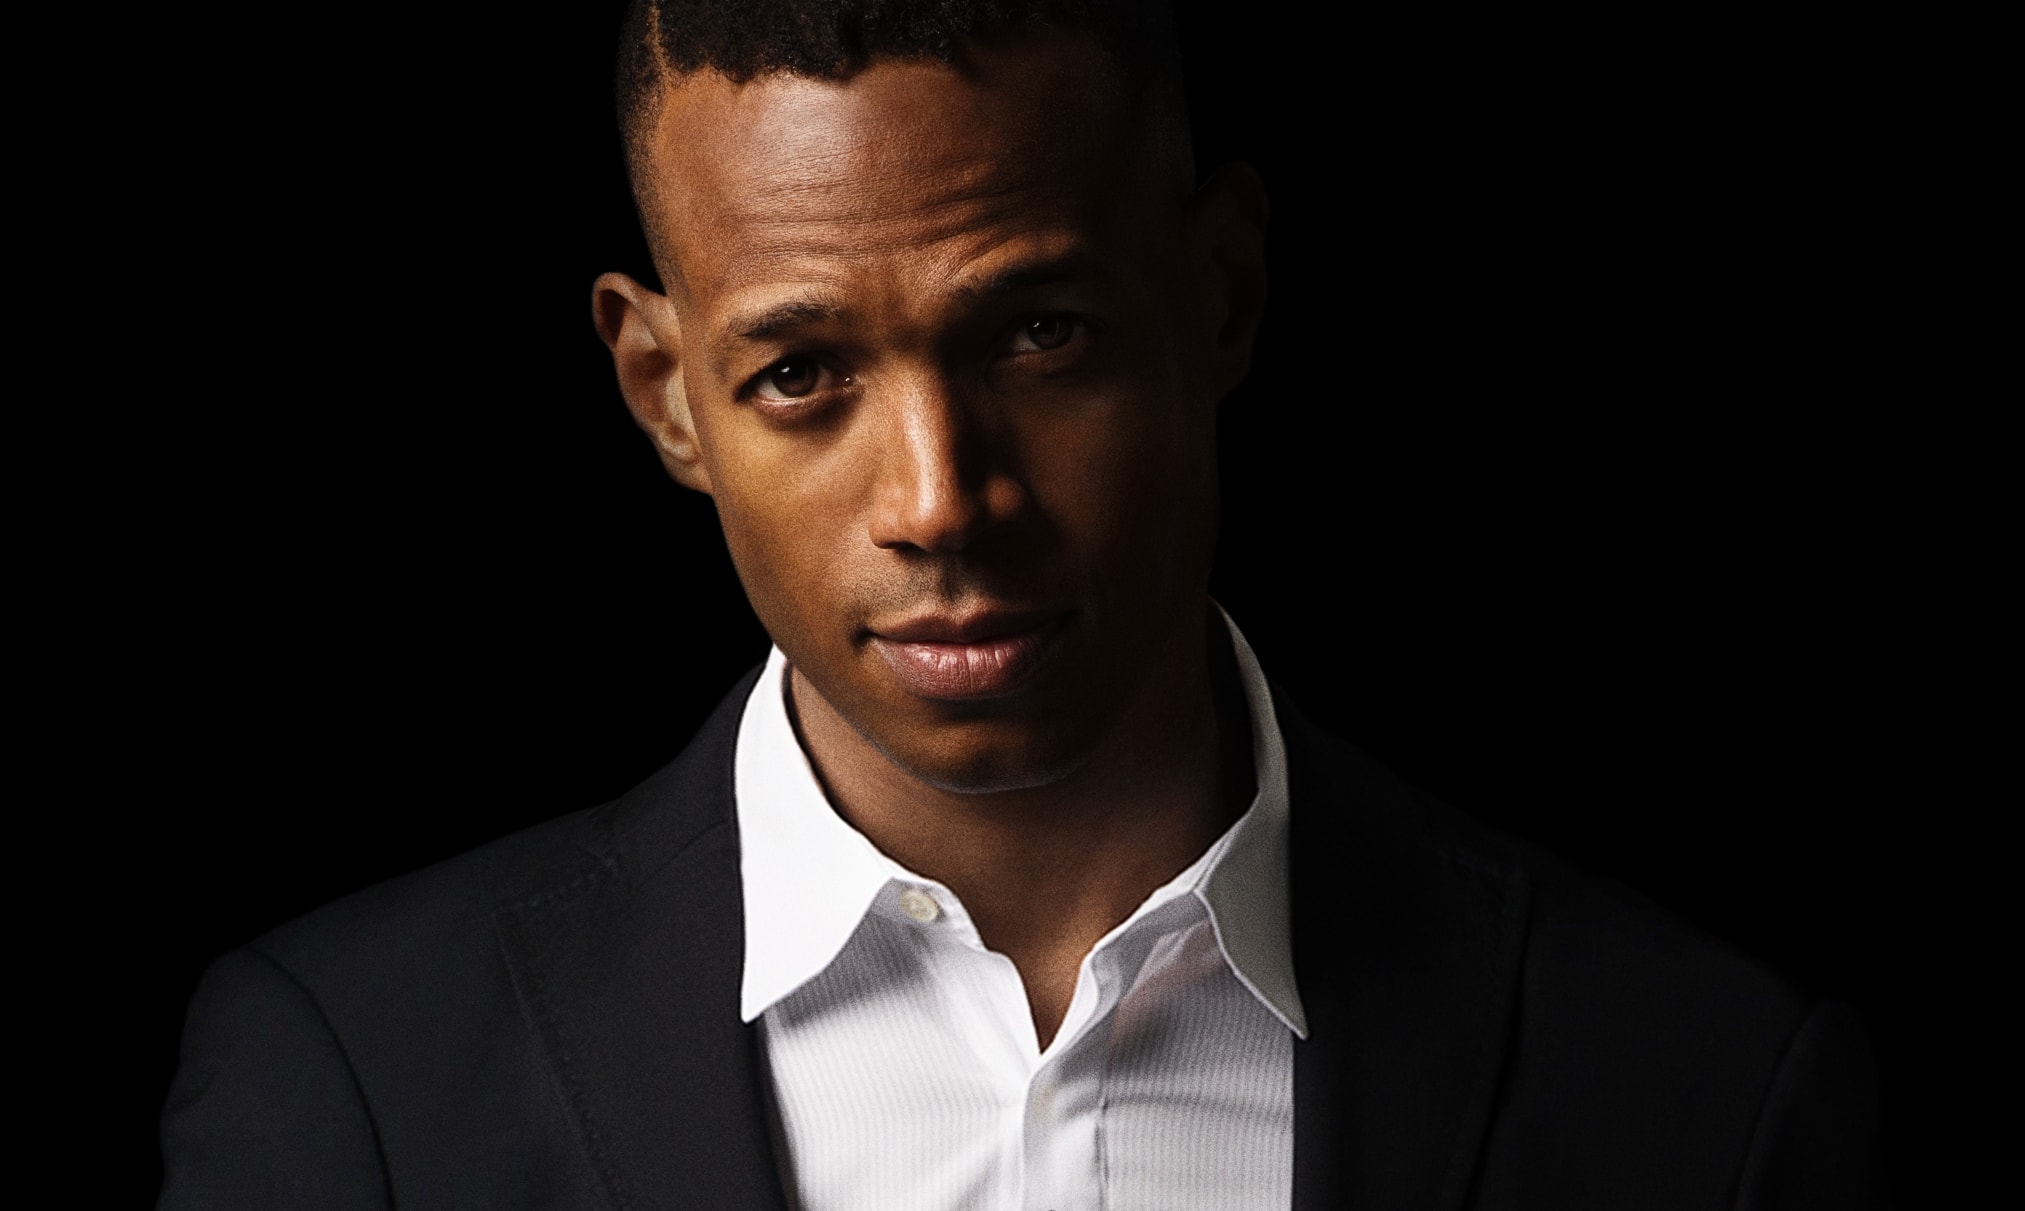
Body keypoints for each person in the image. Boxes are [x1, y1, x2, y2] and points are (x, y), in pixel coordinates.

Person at [158, 2, 1889, 1207]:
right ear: (664, 393)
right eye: (800, 375)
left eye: (1038, 335)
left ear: (1221, 293)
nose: (938, 501)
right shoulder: (352, 1077)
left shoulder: (1705, 1093)